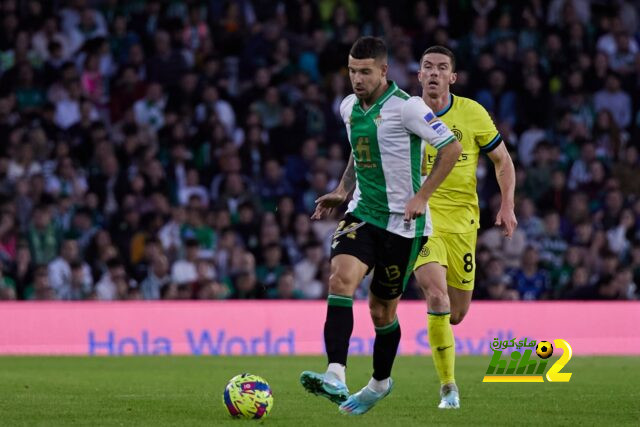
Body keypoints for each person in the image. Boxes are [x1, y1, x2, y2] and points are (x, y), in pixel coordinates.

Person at [299, 37, 461, 415]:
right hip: (363, 214)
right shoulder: (348, 108)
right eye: (353, 71)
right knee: (340, 279)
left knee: (381, 312)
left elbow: (450, 148)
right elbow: (360, 152)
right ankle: (335, 373)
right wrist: (343, 188)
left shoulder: (408, 108)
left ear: (384, 71)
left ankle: (380, 382)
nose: (357, 79)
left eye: (365, 72)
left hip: (405, 227)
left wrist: (422, 196)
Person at [412, 46, 517, 409]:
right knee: (436, 296)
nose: (435, 73)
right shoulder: (405, 113)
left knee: (455, 313)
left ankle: (440, 331)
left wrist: (507, 203)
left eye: (442, 68)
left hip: (463, 225)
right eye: (428, 67)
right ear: (419, 75)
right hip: (422, 220)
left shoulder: (472, 113)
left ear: (452, 78)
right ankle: (448, 388)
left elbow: (502, 160)